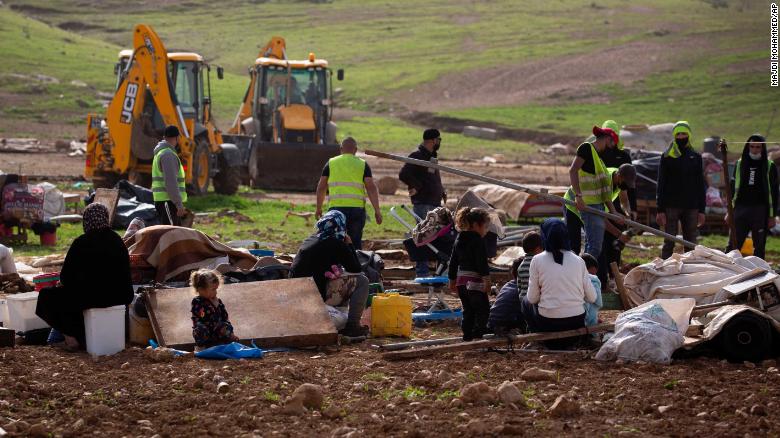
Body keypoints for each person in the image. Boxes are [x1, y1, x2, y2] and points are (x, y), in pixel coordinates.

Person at [35, 203, 133, 350]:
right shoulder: (117, 241)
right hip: (120, 296)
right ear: (105, 218)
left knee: (47, 297)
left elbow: (66, 278)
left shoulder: (81, 243)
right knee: (77, 298)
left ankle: (71, 339)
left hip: (92, 298)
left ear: (86, 221)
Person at [290, 210, 370, 337]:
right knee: (362, 281)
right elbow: (356, 269)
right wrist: (350, 245)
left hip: (296, 294)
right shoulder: (336, 242)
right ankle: (352, 326)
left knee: (337, 276)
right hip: (315, 296)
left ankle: (339, 314)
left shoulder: (309, 240)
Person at [521, 218, 597, 349]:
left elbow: (532, 298)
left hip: (548, 324)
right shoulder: (579, 261)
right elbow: (592, 298)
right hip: (575, 322)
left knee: (525, 301)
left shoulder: (537, 260)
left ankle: (538, 340)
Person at [315, 137, 382, 250]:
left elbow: (321, 187)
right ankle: (354, 265)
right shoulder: (363, 164)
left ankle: (337, 266)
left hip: (336, 210)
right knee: (355, 242)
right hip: (357, 210)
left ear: (341, 149)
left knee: (336, 240)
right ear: (355, 150)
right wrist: (377, 211)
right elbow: (371, 188)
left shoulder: (331, 163)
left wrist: (318, 208)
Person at [565, 125, 621, 258]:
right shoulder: (586, 148)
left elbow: (604, 192)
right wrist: (578, 196)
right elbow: (573, 170)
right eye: (613, 143)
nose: (612, 148)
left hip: (596, 206)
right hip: (587, 204)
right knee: (593, 247)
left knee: (595, 247)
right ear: (608, 139)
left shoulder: (599, 160)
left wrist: (614, 212)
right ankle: (583, 275)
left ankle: (584, 275)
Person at [399, 128, 447, 277]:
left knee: (438, 238)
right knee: (423, 237)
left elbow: (431, 178)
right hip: (423, 204)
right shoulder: (417, 156)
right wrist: (417, 187)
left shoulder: (431, 158)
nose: (439, 142)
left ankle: (440, 273)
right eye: (439, 139)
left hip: (434, 203)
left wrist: (441, 191)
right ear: (433, 140)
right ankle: (422, 272)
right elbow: (403, 174)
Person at [656, 121, 706, 259]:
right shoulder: (667, 156)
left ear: (688, 135)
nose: (681, 136)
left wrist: (702, 210)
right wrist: (660, 209)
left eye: (683, 133)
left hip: (691, 206)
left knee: (691, 242)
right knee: (669, 241)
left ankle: (691, 269)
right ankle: (664, 269)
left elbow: (700, 185)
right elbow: (661, 183)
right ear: (674, 135)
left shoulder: (695, 157)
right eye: (678, 134)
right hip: (671, 206)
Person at [725, 134, 779, 259]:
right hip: (740, 209)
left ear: (762, 148)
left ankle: (759, 274)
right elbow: (732, 189)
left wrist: (772, 216)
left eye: (758, 147)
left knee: (759, 246)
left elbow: (775, 193)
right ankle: (728, 271)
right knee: (733, 244)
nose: (754, 150)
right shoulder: (740, 163)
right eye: (752, 147)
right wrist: (729, 211)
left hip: (760, 211)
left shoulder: (770, 166)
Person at [487, 231, 543, 335]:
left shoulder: (520, 270)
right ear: (538, 249)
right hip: (511, 319)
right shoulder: (538, 264)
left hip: (491, 321)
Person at [448, 207, 491, 341]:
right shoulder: (478, 240)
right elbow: (481, 263)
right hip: (475, 283)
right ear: (476, 225)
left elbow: (453, 262)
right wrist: (487, 280)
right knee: (482, 310)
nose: (486, 230)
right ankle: (478, 335)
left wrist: (452, 280)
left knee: (468, 311)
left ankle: (467, 336)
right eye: (484, 226)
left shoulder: (459, 239)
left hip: (461, 282)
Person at [588, 120, 639, 220]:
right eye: (606, 137)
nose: (609, 140)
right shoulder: (595, 153)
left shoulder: (624, 156)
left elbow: (630, 183)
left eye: (612, 137)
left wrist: (633, 209)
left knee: (616, 227)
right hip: (597, 198)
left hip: (616, 198)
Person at [598, 164, 637, 290]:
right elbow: (601, 219)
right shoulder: (606, 180)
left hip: (603, 211)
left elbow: (624, 200)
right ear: (619, 176)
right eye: (625, 182)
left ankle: (613, 276)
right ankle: (601, 282)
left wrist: (627, 213)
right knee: (600, 246)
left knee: (614, 247)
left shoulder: (620, 181)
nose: (625, 186)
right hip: (586, 209)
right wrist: (619, 234)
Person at [190, 269, 239, 349]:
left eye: (216, 289)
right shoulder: (197, 302)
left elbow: (225, 317)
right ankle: (203, 346)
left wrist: (231, 333)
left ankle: (223, 342)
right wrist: (214, 307)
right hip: (206, 331)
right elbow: (203, 316)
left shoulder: (218, 301)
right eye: (213, 289)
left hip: (218, 331)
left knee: (225, 326)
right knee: (200, 329)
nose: (216, 292)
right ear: (201, 290)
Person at [152, 125, 188, 226]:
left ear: (164, 137)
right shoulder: (168, 155)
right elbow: (171, 182)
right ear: (177, 138)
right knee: (171, 235)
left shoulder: (161, 153)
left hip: (165, 201)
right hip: (168, 202)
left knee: (174, 235)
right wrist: (179, 204)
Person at [581, 253, 603, 328]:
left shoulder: (573, 278)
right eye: (592, 273)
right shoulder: (594, 281)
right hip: (587, 320)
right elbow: (598, 301)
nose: (593, 276)